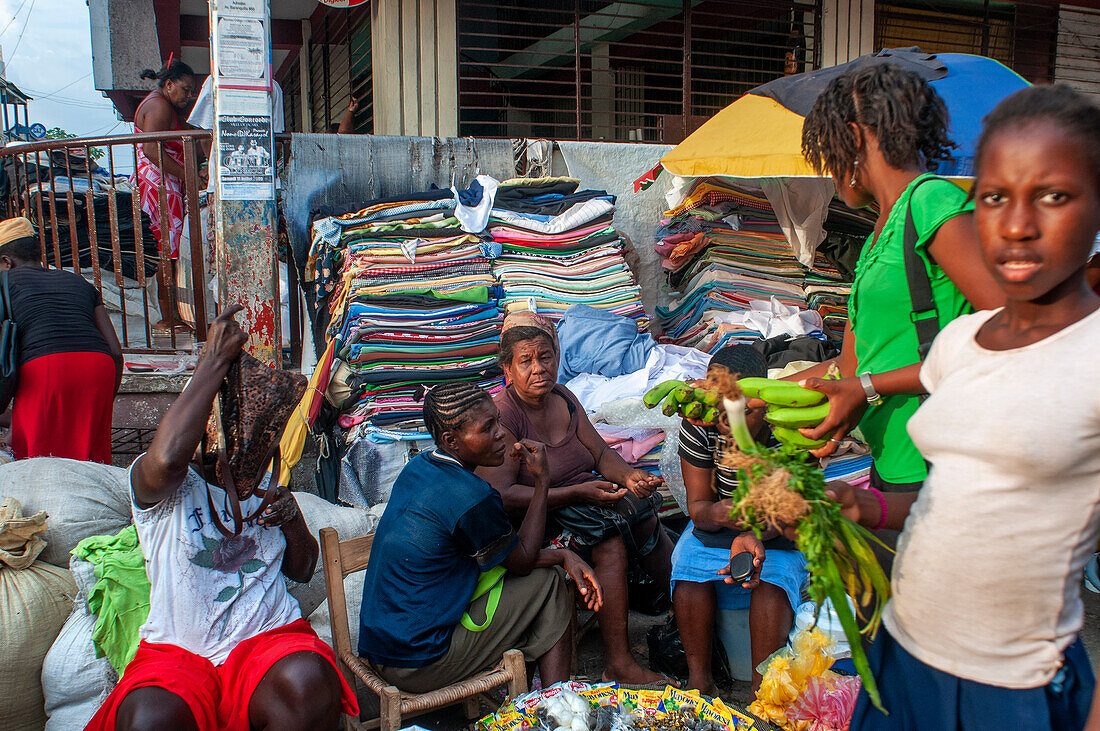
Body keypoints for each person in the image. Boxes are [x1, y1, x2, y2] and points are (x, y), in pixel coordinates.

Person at [817, 84, 1100, 730]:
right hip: (905, 657)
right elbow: (959, 493)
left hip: (1009, 690)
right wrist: (869, 505)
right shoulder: (959, 343)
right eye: (995, 197)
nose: (1018, 222)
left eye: (1054, 195)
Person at [86, 306, 358, 731]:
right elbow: (169, 456)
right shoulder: (162, 482)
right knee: (147, 719)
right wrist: (213, 361)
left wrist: (291, 518)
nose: (253, 440)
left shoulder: (266, 482)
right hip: (179, 652)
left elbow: (303, 570)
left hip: (266, 638)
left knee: (308, 683)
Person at [795, 64, 1004, 494]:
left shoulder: (932, 203)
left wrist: (868, 387)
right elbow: (850, 368)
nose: (829, 172)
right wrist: (749, 396)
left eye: (828, 152)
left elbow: (1014, 334)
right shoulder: (878, 234)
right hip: (894, 462)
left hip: (948, 466)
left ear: (853, 137)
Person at [358, 380, 601, 692]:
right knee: (549, 582)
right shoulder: (471, 497)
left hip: (383, 648)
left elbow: (509, 555)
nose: (501, 433)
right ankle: (556, 701)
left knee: (534, 576)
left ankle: (543, 689)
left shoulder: (419, 466)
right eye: (488, 428)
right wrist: (542, 482)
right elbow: (523, 561)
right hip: (420, 663)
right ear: (451, 440)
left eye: (498, 421)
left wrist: (564, 554)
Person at [478, 323, 677, 686]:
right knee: (609, 539)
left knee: (646, 514)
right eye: (526, 361)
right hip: (535, 522)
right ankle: (618, 661)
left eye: (545, 357)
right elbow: (505, 495)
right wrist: (576, 494)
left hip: (581, 503)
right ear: (507, 370)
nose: (538, 367)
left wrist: (630, 477)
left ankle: (685, 614)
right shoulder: (504, 416)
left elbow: (600, 452)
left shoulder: (565, 397)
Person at [671, 345, 807, 694]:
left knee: (770, 577)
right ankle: (700, 680)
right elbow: (698, 506)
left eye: (744, 412)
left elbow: (792, 514)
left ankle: (762, 695)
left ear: (762, 404)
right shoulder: (699, 425)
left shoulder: (787, 429)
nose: (731, 423)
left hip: (779, 527)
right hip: (720, 521)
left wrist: (755, 533)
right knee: (686, 566)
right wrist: (721, 513)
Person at [0, 217, 122, 462]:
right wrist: (105, 395)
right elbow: (116, 352)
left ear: (6, 262)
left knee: (39, 460)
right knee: (89, 458)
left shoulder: (3, 282)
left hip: (46, 368)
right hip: (100, 367)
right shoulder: (79, 281)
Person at [134, 59, 202, 332]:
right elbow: (152, 150)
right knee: (167, 254)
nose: (188, 96)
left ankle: (173, 313)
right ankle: (168, 316)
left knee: (170, 253)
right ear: (169, 84)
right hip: (159, 188)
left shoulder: (167, 107)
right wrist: (189, 174)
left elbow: (189, 132)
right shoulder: (159, 105)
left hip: (166, 187)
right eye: (185, 90)